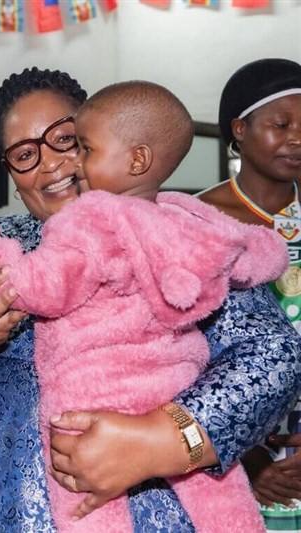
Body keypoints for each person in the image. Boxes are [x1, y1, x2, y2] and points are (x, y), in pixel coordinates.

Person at [0, 67, 301, 533]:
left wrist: (160, 440)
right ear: (10, 173)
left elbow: (276, 355)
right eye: (26, 154)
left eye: (68, 140)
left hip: (151, 502)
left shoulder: (171, 231)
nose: (52, 164)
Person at [198, 57, 301, 533]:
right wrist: (243, 454)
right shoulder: (200, 220)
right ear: (240, 128)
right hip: (235, 449)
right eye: (281, 124)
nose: (297, 137)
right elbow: (186, 351)